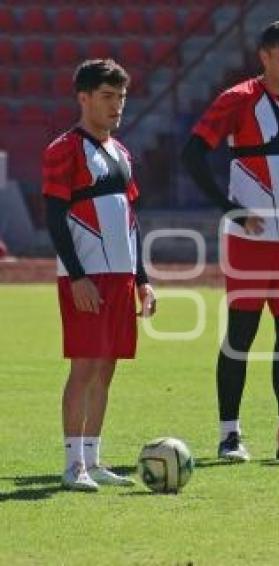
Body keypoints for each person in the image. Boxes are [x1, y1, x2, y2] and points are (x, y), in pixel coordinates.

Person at [181, 20, 279, 462]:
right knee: (241, 335)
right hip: (249, 243)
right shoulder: (238, 99)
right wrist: (231, 209)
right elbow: (193, 154)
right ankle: (229, 435)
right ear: (264, 57)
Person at [42, 59, 157, 491]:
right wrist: (76, 277)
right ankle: (72, 464)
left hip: (120, 275)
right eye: (107, 97)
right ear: (84, 98)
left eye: (121, 98)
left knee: (107, 368)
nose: (116, 106)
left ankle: (92, 458)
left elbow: (131, 219)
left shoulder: (121, 152)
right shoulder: (64, 149)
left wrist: (143, 279)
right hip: (87, 276)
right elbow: (54, 218)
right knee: (84, 367)